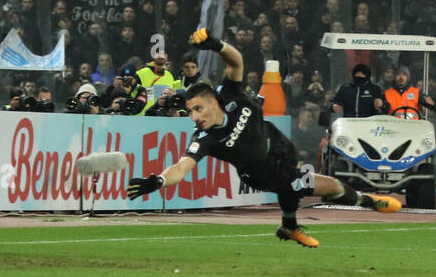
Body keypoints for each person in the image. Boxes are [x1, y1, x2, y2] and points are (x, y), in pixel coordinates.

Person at [127, 27, 401, 248]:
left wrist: (215, 44)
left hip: (279, 146)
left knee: (293, 183)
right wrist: (159, 180)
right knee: (320, 185)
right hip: (261, 172)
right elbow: (181, 167)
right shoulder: (205, 137)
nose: (194, 117)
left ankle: (289, 227)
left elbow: (236, 61)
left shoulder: (230, 95)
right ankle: (370, 202)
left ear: (214, 102)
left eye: (197, 109)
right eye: (190, 112)